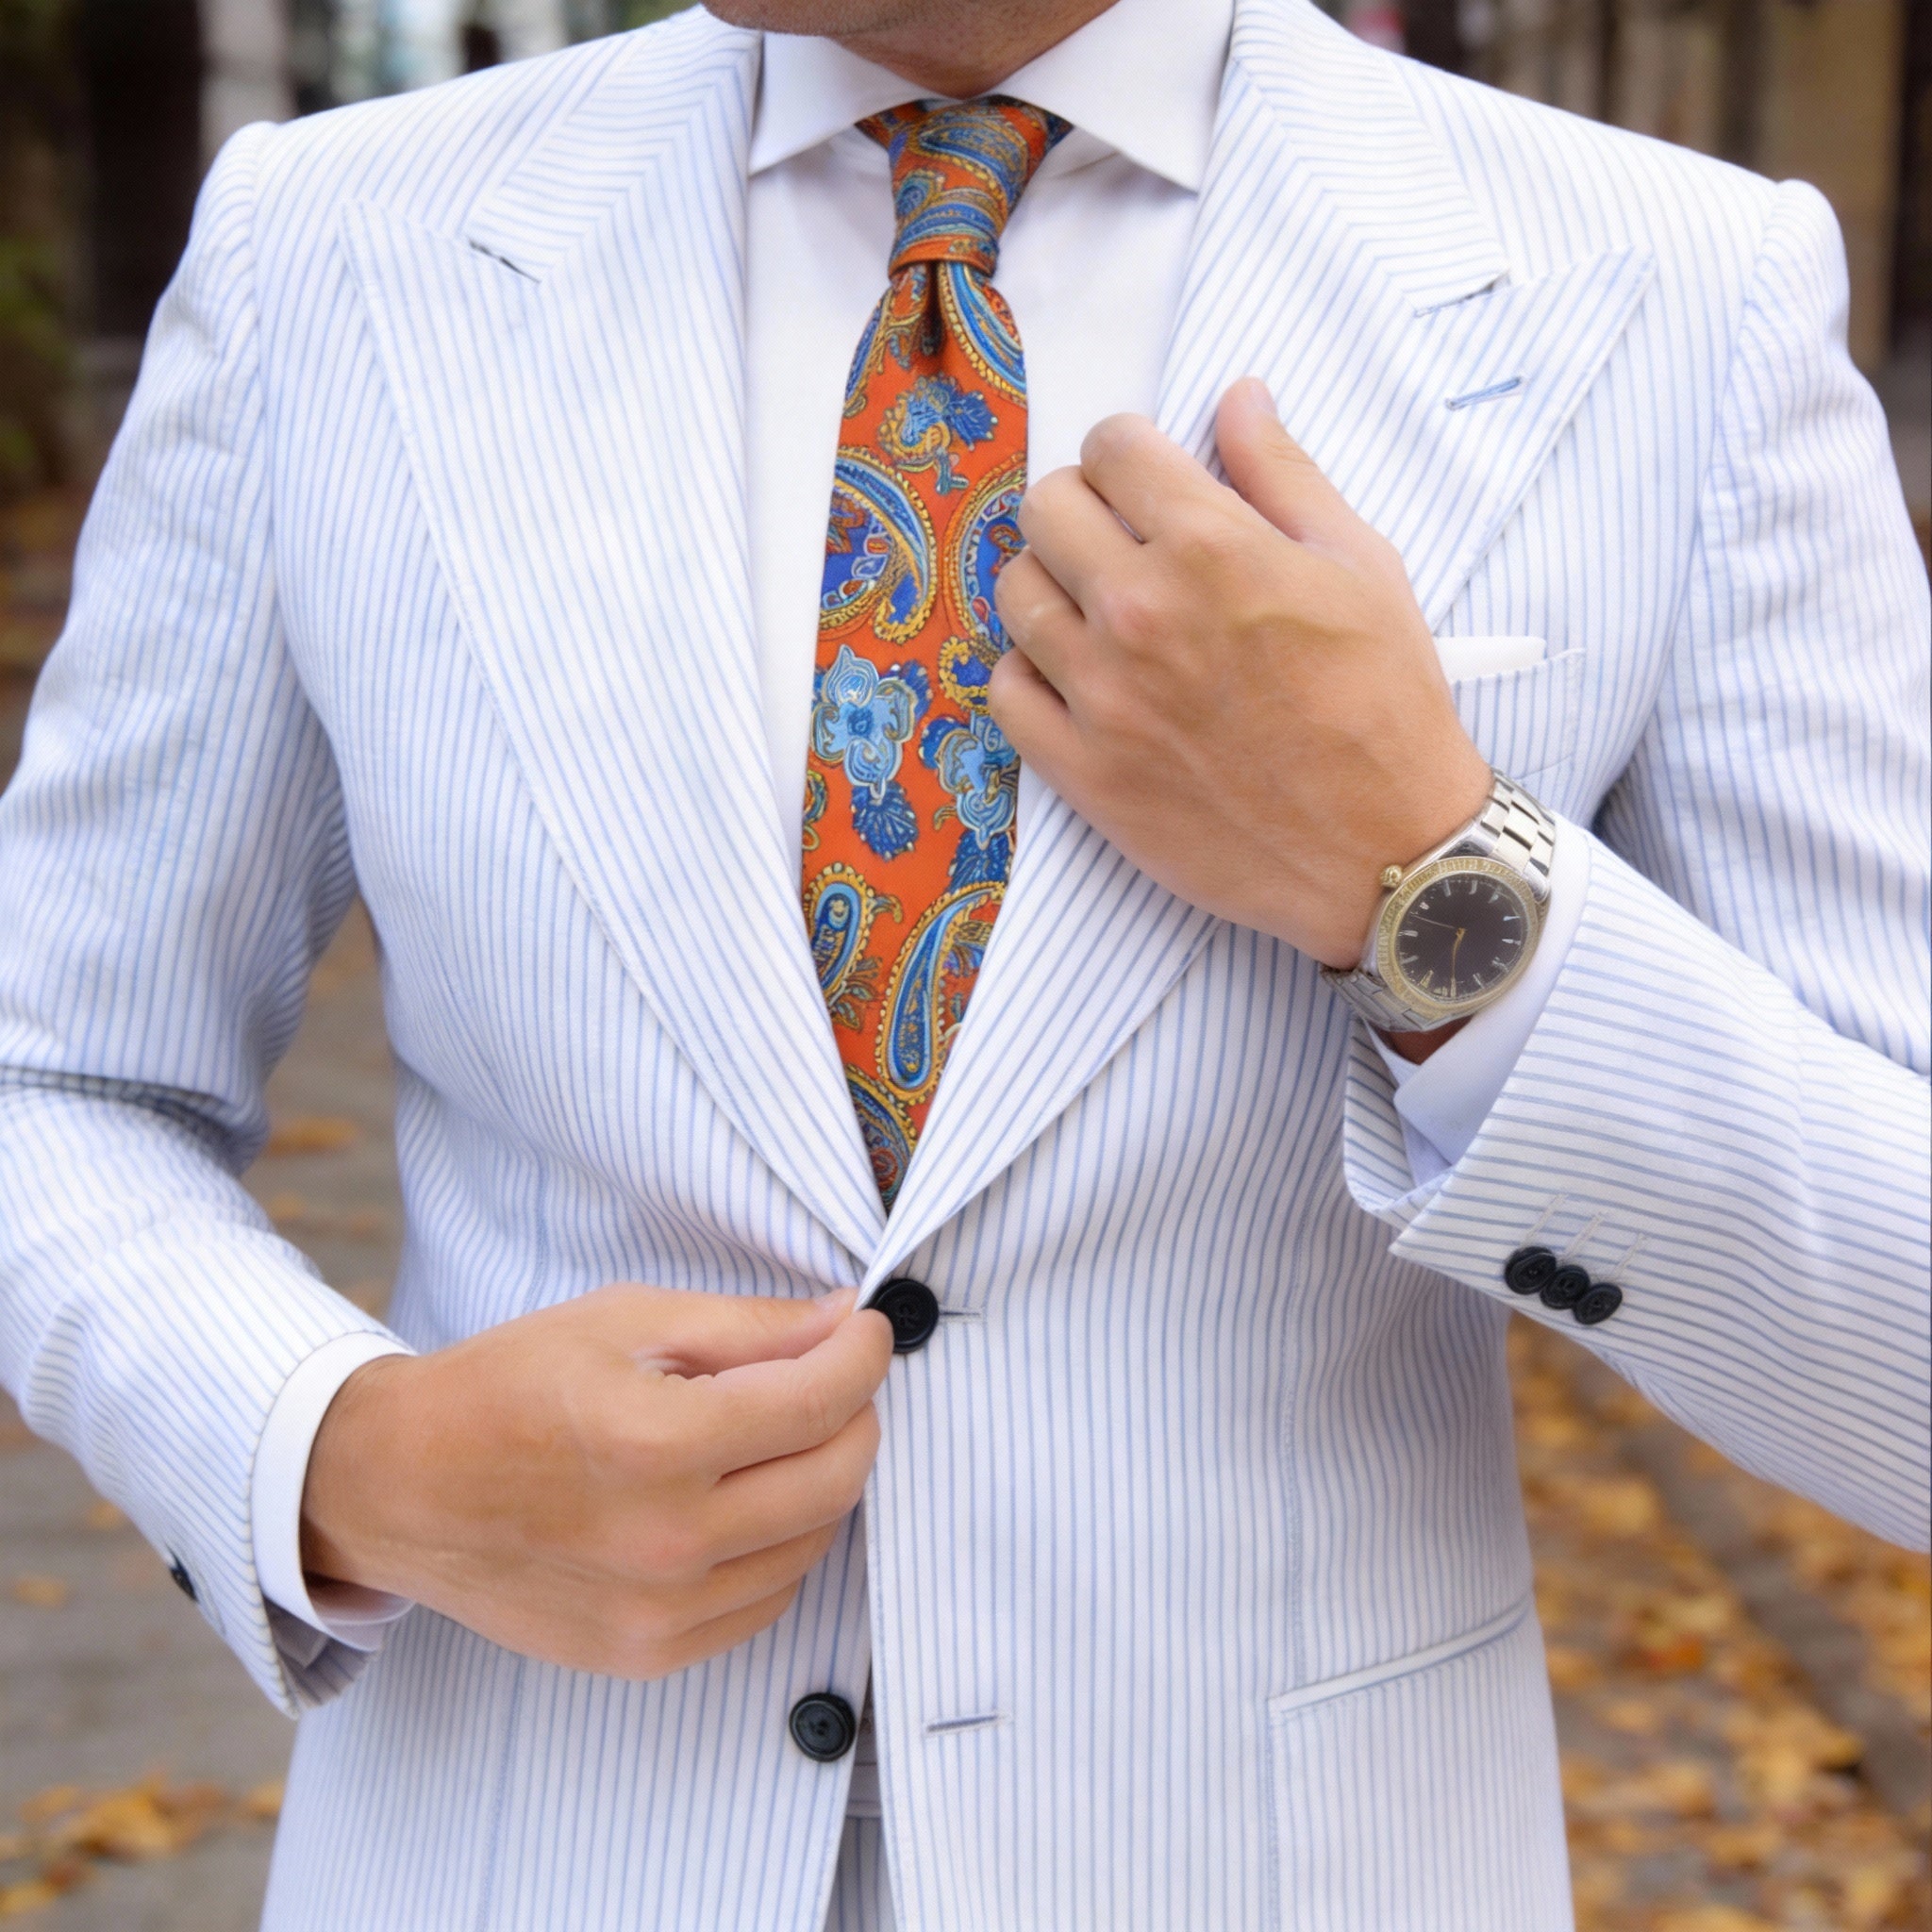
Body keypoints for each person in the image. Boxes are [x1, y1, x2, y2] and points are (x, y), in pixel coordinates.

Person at [0, 0, 1924, 1924]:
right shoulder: (329, 251)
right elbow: (55, 1075)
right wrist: (347, 1457)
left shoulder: (1673, 293)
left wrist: (1425, 884)